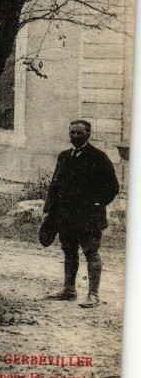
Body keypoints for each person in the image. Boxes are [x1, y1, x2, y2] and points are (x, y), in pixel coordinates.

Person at [43, 120, 119, 308]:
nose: (75, 137)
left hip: (88, 218)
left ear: (88, 134)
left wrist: (98, 202)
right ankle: (69, 290)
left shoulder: (98, 157)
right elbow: (54, 185)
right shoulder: (64, 156)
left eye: (79, 133)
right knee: (69, 251)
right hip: (65, 216)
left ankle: (93, 294)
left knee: (91, 253)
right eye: (72, 133)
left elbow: (113, 187)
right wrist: (48, 211)